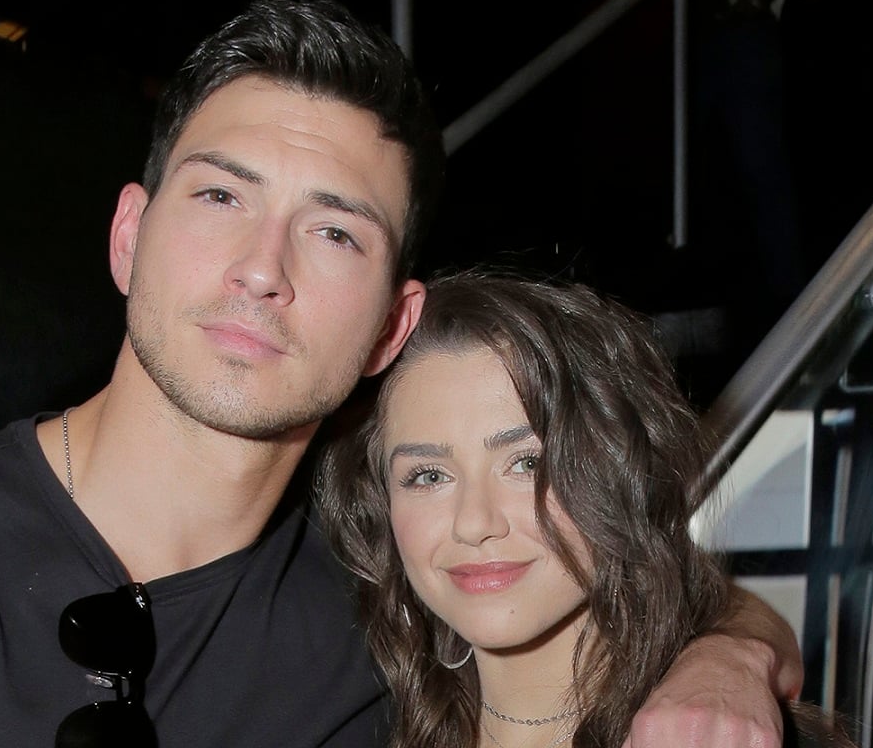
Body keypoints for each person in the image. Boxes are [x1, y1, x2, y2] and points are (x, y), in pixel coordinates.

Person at [0, 0, 798, 747]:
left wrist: (728, 661)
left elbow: (668, 595)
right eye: (220, 196)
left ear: (392, 325)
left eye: (334, 232)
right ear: (128, 237)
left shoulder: (385, 573)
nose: (262, 270)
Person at [317, 269, 845, 748]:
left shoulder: (728, 735)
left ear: (618, 472)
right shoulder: (355, 719)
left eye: (528, 463)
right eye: (429, 476)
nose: (474, 523)